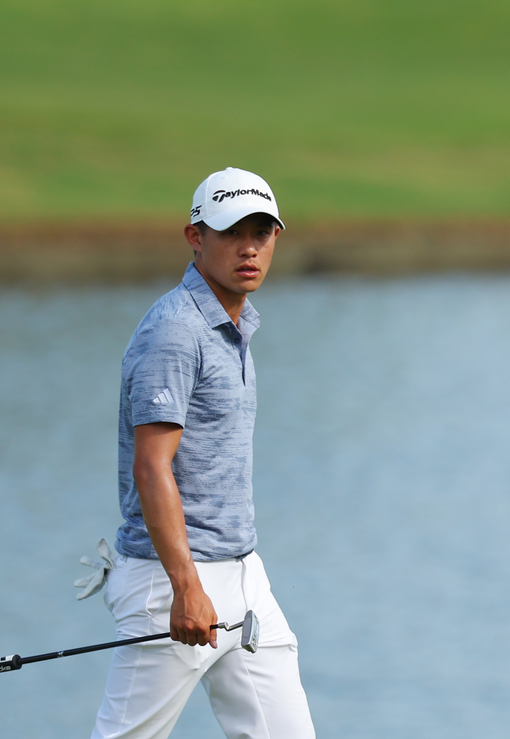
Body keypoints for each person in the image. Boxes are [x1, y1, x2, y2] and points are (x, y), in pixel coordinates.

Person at [87, 167, 316, 738]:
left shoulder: (234, 325)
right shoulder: (174, 331)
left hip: (244, 577)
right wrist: (187, 585)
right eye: (232, 232)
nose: (249, 248)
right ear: (195, 237)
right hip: (171, 581)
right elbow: (151, 464)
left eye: (261, 232)